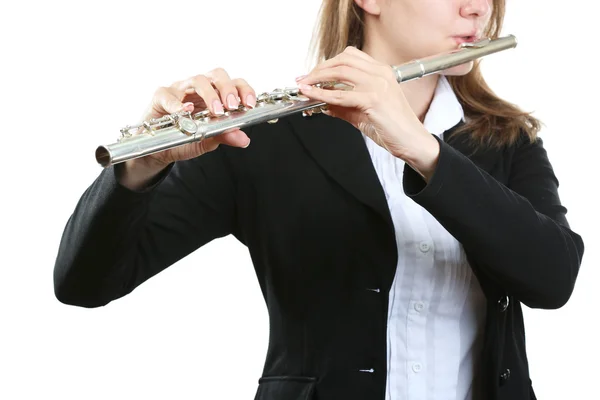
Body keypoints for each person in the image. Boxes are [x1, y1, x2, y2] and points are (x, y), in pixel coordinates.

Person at [53, 0, 585, 399]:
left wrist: (427, 154)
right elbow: (85, 284)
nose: (480, 8)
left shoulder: (506, 140)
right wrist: (146, 163)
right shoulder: (268, 138)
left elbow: (553, 279)